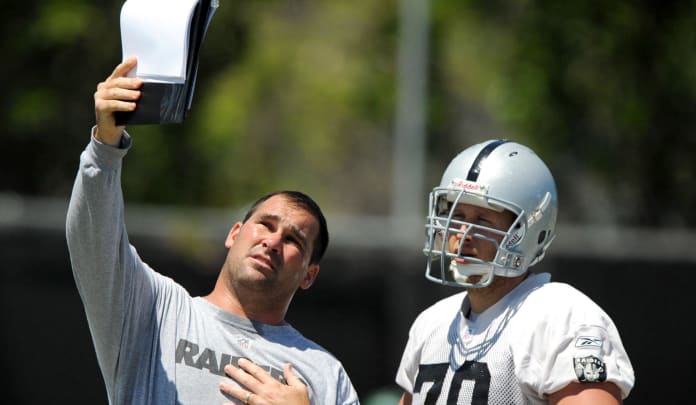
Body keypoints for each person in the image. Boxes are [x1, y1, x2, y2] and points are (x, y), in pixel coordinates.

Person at [66, 57, 359, 405]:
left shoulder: (324, 373)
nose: (273, 241)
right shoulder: (156, 310)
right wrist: (105, 148)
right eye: (265, 224)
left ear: (309, 275)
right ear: (234, 233)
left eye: (294, 239)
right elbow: (94, 240)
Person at [395, 140, 635, 404]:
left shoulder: (561, 318)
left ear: (525, 232)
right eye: (458, 216)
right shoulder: (432, 324)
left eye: (482, 221)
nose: (462, 236)